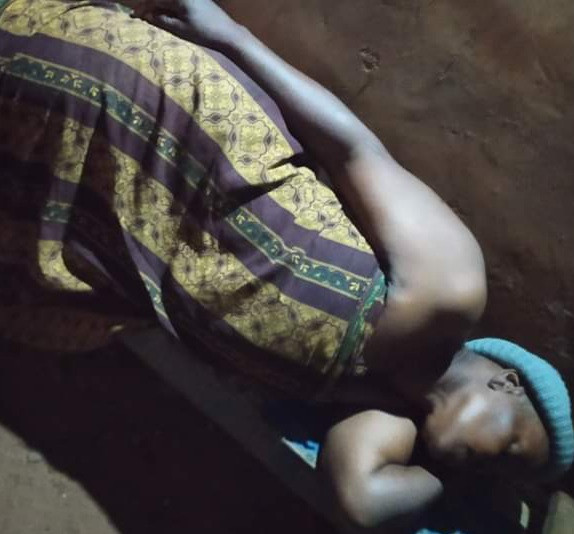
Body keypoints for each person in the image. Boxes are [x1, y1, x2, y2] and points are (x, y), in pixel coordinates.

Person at [0, 0, 572, 528]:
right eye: (512, 448)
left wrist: (449, 477)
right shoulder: (449, 291)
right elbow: (353, 148)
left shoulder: (381, 411)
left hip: (120, 232)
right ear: (509, 382)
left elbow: (362, 502)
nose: (489, 467)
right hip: (170, 136)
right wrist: (230, 35)